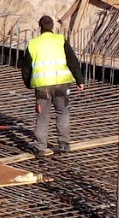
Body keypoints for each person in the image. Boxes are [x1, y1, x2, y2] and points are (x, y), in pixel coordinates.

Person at [26, 15, 83, 157]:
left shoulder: (33, 43)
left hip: (42, 86)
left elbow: (26, 67)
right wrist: (79, 80)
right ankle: (64, 144)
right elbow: (72, 61)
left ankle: (40, 147)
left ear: (40, 27)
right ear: (52, 27)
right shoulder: (60, 40)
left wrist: (28, 83)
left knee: (42, 116)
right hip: (62, 84)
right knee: (63, 113)